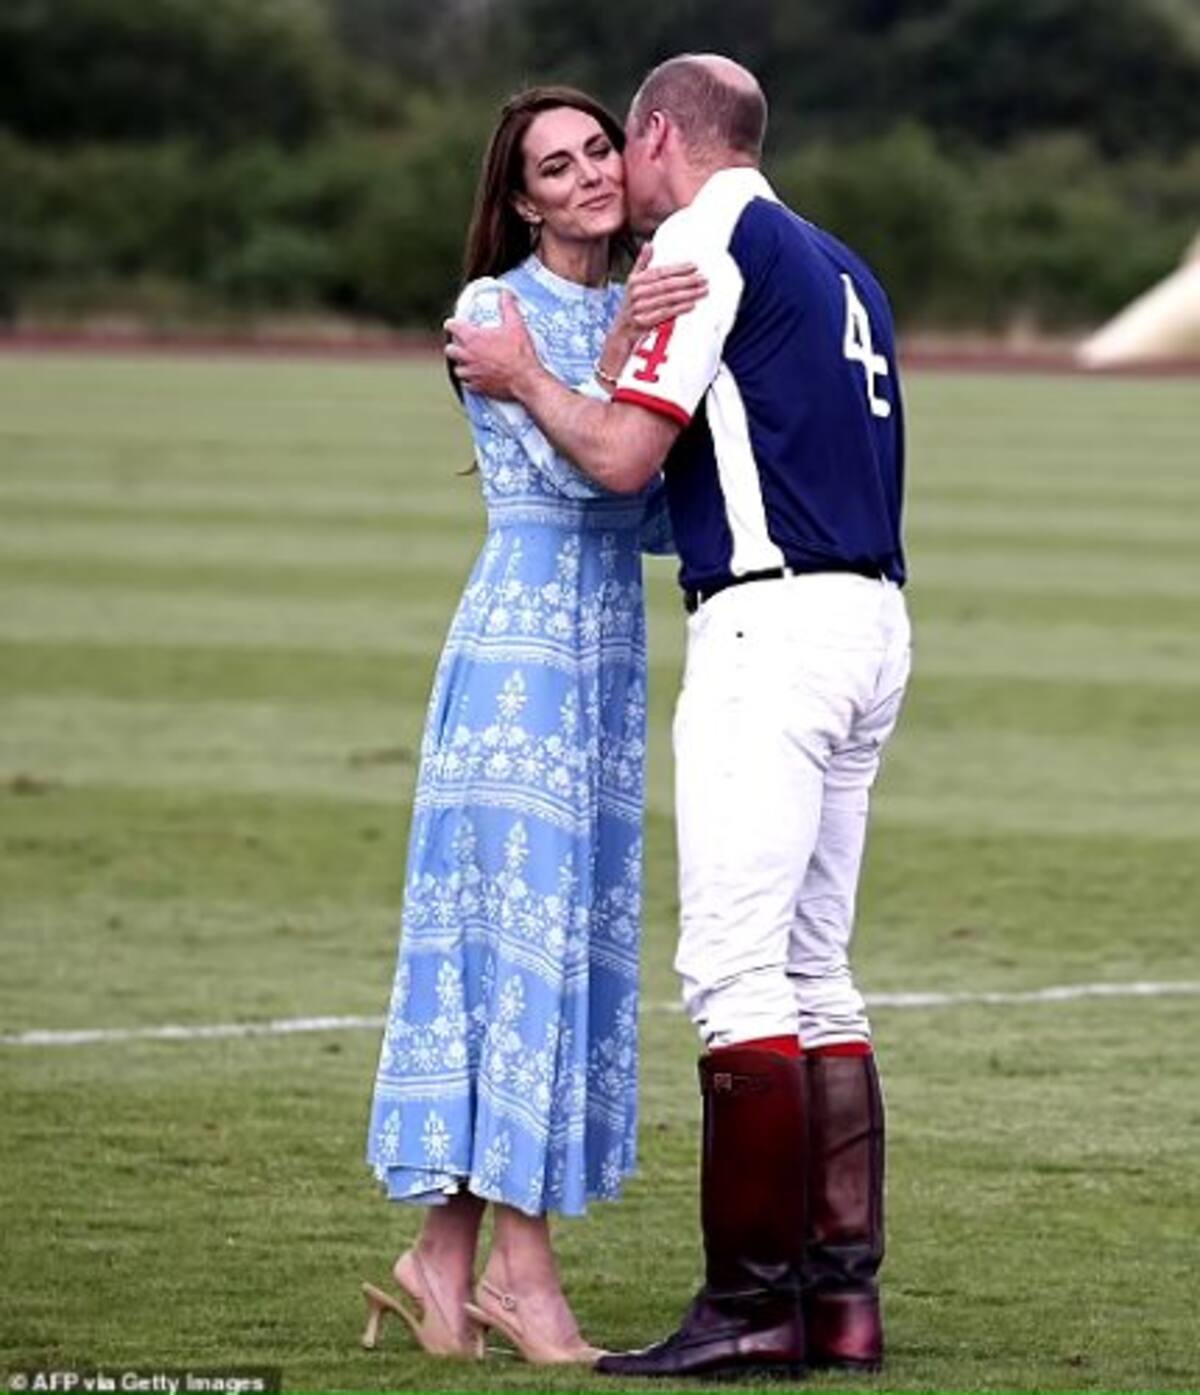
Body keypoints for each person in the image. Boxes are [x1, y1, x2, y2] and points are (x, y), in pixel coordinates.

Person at [446, 54, 911, 1381]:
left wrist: (527, 377)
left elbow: (620, 457)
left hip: (773, 630)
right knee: (817, 971)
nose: (612, 177)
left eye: (616, 148)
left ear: (657, 134)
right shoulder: (840, 261)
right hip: (875, 621)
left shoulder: (703, 244)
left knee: (735, 975)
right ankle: (841, 1306)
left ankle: (750, 1306)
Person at [360, 87, 705, 1366]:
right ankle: (525, 1278)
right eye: (555, 167)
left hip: (603, 653)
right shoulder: (490, 311)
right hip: (520, 657)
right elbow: (579, 465)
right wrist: (617, 360)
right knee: (517, 954)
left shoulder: (642, 302)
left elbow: (650, 503)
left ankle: (438, 1266)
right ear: (520, 200)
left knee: (549, 950)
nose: (589, 175)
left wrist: (655, 358)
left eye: (599, 149)